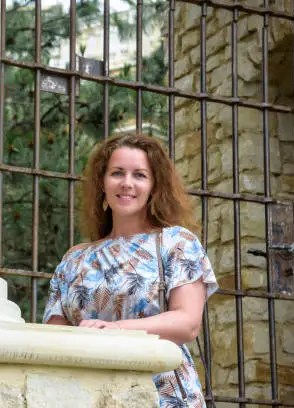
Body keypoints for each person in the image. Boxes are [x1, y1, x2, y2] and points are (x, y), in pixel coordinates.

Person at [42, 133, 218, 408]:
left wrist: (114, 329)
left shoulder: (176, 242)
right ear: (102, 182)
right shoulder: (74, 259)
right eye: (117, 173)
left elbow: (187, 323)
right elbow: (54, 339)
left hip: (162, 393)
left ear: (154, 186)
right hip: (87, 395)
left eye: (139, 175)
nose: (127, 183)